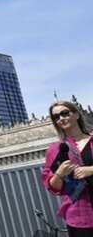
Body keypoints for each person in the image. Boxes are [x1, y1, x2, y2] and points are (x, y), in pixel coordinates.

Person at [41, 100, 93, 236]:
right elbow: (53, 187)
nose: (61, 119)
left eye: (64, 113)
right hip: (80, 215)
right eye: (56, 117)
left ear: (76, 114)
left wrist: (90, 170)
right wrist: (59, 174)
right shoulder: (55, 149)